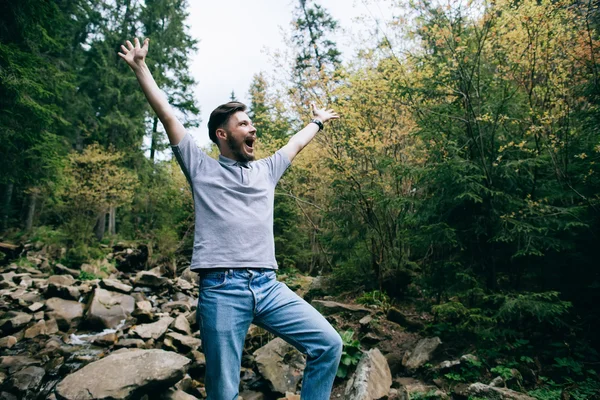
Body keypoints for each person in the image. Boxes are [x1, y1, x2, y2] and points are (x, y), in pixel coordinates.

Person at [119, 37, 342, 400]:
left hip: (269, 287)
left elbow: (295, 144)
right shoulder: (200, 168)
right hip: (222, 290)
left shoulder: (267, 170)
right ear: (223, 134)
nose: (252, 128)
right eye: (244, 124)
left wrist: (316, 122)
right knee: (223, 393)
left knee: (329, 344)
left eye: (252, 123)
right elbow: (167, 115)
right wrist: (141, 67)